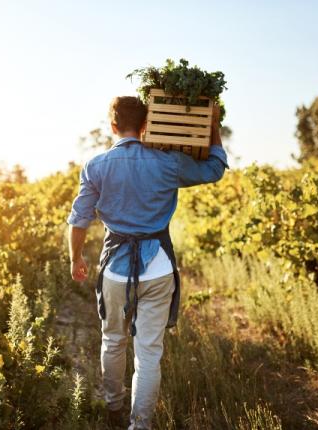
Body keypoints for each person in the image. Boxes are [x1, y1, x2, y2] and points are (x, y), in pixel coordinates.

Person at [66, 96, 228, 429]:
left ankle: (114, 408)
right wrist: (212, 125)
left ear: (112, 125)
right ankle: (140, 425)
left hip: (114, 269)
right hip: (159, 268)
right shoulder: (169, 163)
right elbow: (214, 169)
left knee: (112, 340)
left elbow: (79, 219)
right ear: (145, 126)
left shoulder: (95, 165)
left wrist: (76, 258)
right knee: (149, 353)